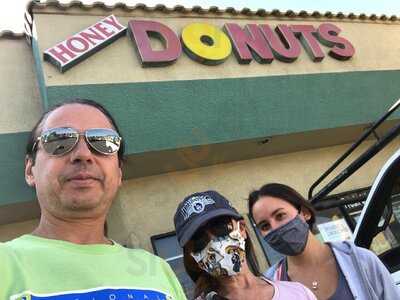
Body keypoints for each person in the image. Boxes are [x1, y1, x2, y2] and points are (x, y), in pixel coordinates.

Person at [0, 99, 186, 300]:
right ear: (30, 170)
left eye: (103, 141)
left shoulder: (159, 271)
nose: (83, 154)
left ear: (119, 174)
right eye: (59, 140)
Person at [248, 182, 400, 300]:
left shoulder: (361, 261)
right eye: (265, 226)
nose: (275, 228)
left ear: (305, 213)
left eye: (280, 215)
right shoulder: (271, 284)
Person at [174, 190, 317, 300]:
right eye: (199, 240)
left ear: (242, 228)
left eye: (220, 227)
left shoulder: (297, 293)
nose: (213, 242)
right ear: (194, 257)